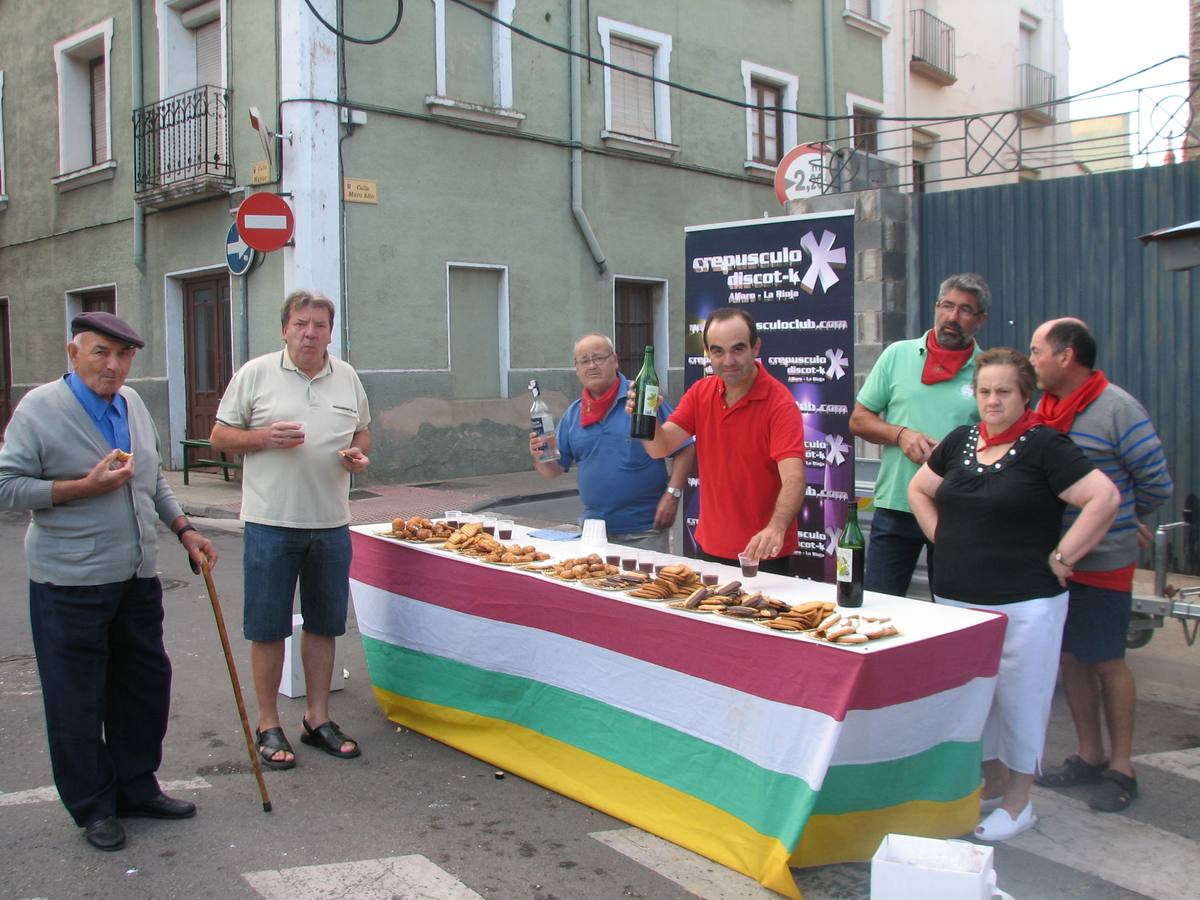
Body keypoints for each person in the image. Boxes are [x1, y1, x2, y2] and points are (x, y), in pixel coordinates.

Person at [0, 312, 218, 853]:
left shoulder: (133, 405)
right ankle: (93, 805)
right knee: (76, 699)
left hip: (137, 577)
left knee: (143, 688)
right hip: (69, 581)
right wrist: (81, 487)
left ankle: (136, 786)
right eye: (100, 352)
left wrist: (184, 529)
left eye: (123, 356)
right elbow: (7, 487)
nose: (113, 365)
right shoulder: (40, 409)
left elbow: (151, 481)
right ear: (73, 354)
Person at [908, 348, 1119, 841]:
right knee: (975, 701)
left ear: (1026, 395)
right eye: (984, 391)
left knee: (1021, 701)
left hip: (1025, 605)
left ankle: (1021, 802)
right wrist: (943, 535)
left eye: (1003, 391)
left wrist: (1065, 557)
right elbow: (920, 490)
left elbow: (1102, 498)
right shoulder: (961, 442)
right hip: (958, 602)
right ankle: (993, 783)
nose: (992, 401)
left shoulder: (1046, 445)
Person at [210, 290, 371, 771]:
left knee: (325, 624)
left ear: (329, 331)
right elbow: (220, 436)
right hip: (270, 523)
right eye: (301, 324)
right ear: (284, 329)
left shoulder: (346, 377)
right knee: (268, 627)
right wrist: (262, 438)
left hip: (330, 524)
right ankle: (267, 723)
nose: (310, 333)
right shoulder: (256, 373)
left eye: (319, 325)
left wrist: (359, 454)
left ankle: (317, 718)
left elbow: (362, 431)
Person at [1031, 318, 1173, 812]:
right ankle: (1088, 756)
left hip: (1103, 562)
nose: (1032, 361)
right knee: (1071, 658)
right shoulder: (1043, 410)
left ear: (1066, 356)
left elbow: (1156, 482)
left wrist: (1124, 515)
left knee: (1107, 661)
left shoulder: (1117, 409)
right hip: (1054, 563)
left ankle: (1122, 768)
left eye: (1037, 351)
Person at [630, 307, 806, 574]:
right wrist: (647, 417)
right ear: (708, 353)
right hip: (709, 548)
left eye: (738, 349)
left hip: (762, 555)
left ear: (755, 348)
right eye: (718, 351)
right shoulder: (701, 392)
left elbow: (794, 479)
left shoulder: (779, 403)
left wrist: (776, 528)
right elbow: (660, 448)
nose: (728, 361)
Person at [850, 273, 991, 597]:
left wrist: (959, 452)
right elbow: (859, 420)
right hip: (897, 505)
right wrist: (900, 434)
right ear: (936, 307)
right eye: (947, 306)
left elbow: (1002, 438)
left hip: (956, 508)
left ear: (980, 320)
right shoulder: (897, 355)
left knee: (952, 609)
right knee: (879, 605)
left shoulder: (988, 369)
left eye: (965, 310)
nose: (953, 318)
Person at [529, 333, 695, 550]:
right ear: (577, 368)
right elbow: (553, 470)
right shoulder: (574, 413)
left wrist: (672, 494)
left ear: (615, 360)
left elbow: (684, 447)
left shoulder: (640, 398)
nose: (592, 366)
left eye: (598, 358)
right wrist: (540, 456)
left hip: (644, 533)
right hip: (593, 533)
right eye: (584, 361)